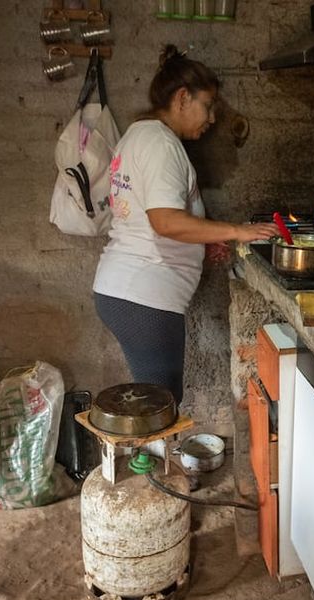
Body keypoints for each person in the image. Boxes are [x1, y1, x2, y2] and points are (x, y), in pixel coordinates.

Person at [93, 44, 278, 405]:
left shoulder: (138, 135)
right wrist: (235, 230)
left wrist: (203, 240)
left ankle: (149, 458)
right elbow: (164, 221)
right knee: (160, 405)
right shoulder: (162, 145)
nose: (210, 120)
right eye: (207, 107)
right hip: (144, 296)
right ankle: (150, 461)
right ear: (182, 98)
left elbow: (161, 216)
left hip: (128, 290)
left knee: (154, 401)